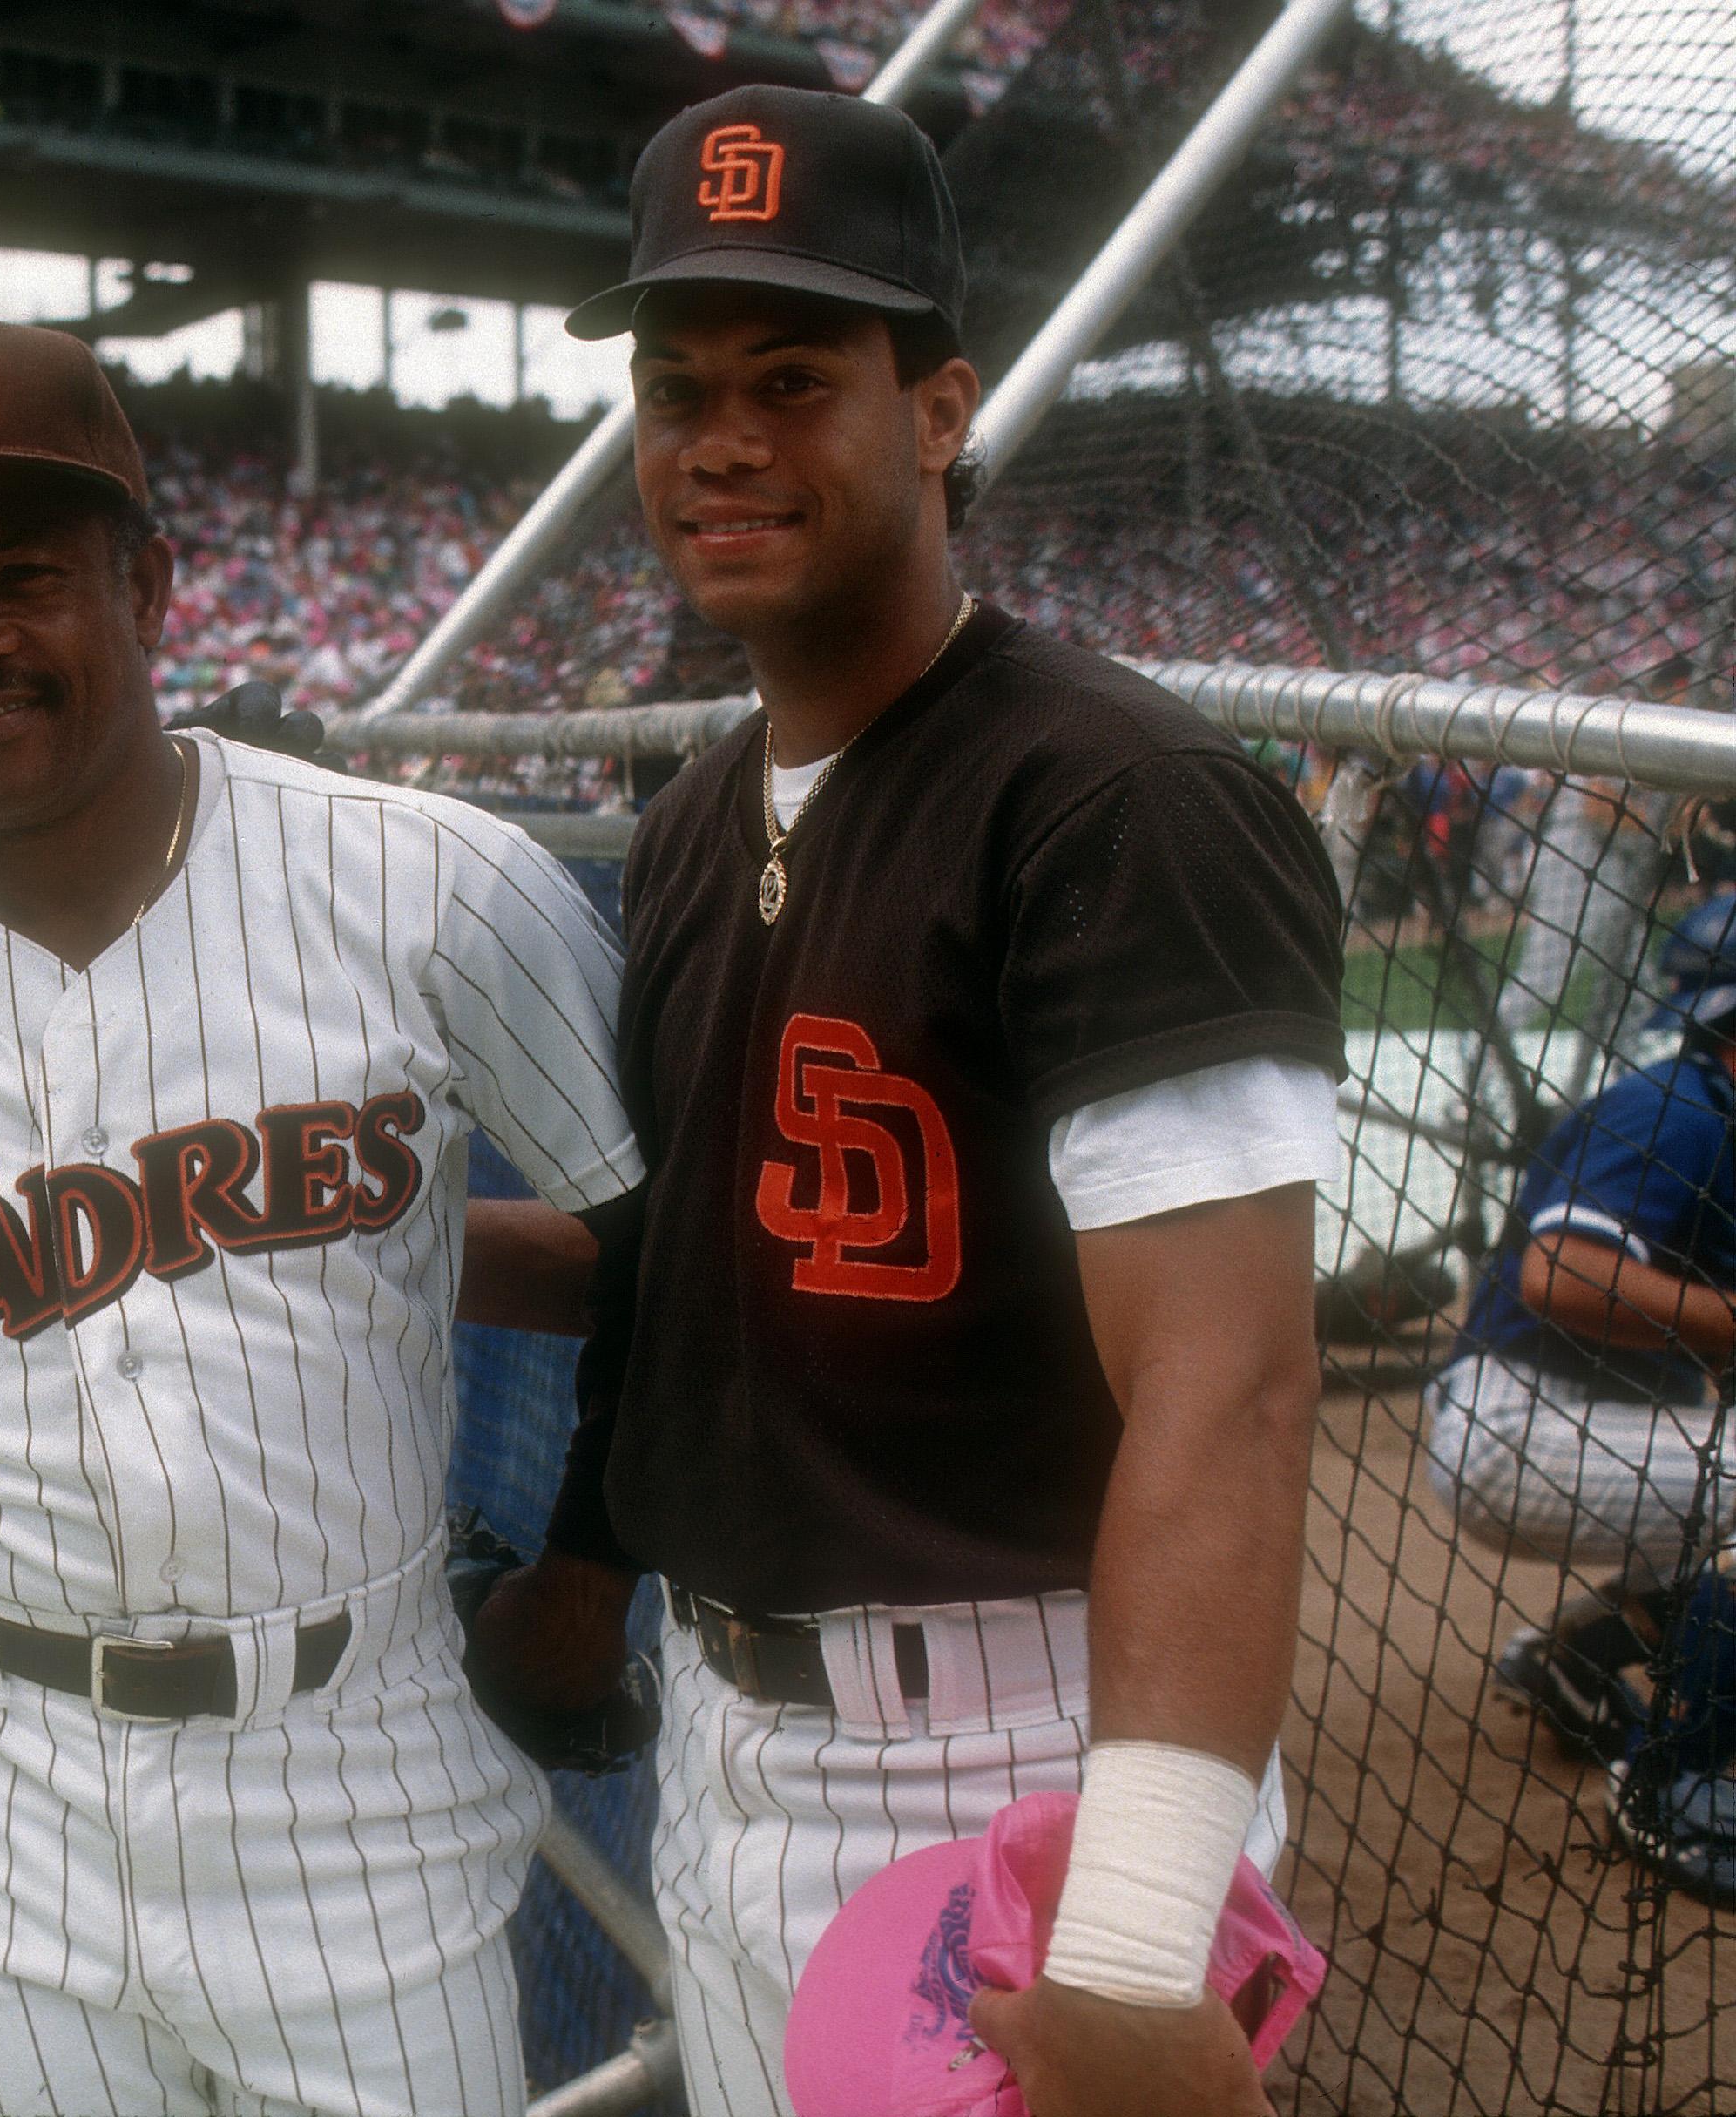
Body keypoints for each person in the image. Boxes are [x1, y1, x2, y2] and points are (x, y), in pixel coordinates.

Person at [463, 89, 1345, 2117]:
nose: (723, 442)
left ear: (939, 409)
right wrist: (379, 1236)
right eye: (677, 390)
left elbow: (1234, 1385)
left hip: (1020, 1753)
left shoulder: (1116, 803)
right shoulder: (692, 822)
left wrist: (1130, 1937)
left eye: (793, 378)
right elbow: (680, 1274)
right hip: (734, 1738)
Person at [0, 318, 642, 2117]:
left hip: (354, 1760)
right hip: (2, 1774)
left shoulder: (428, 884)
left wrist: (592, 1567)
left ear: (150, 584)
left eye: (27, 577)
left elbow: (666, 1255)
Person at [1430, 895, 1736, 1764]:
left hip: (1567, 1421)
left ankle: (1569, 1656)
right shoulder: (1679, 1110)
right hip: (1521, 1430)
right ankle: (1599, 1658)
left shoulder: (1709, 1115)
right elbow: (1558, 1271)